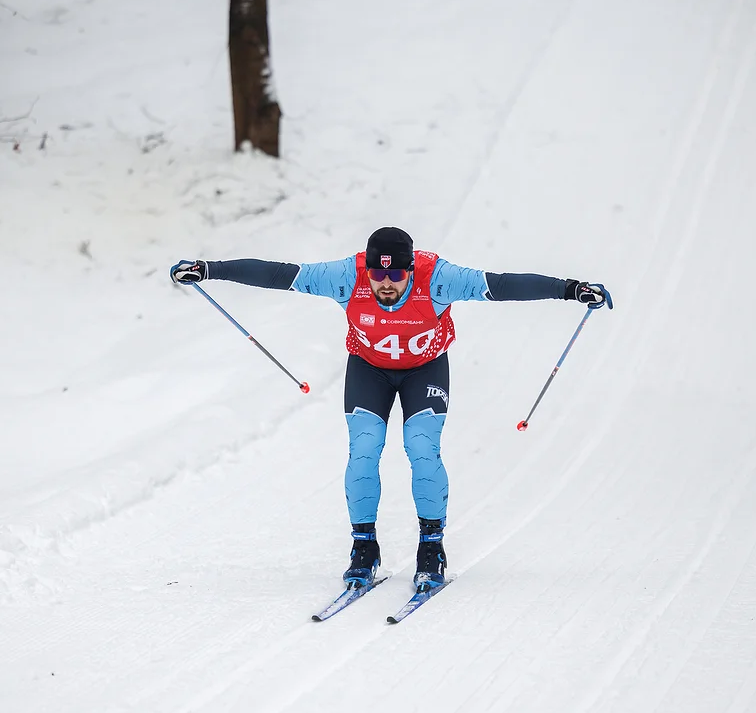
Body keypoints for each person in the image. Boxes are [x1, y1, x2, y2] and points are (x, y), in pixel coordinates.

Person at [170, 227, 608, 593]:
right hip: (369, 369)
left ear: (410, 269)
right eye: (378, 273)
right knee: (364, 450)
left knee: (421, 447)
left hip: (425, 368)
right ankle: (364, 548)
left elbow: (503, 284)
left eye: (396, 274)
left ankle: (431, 547)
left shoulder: (439, 278)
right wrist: (210, 269)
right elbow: (280, 274)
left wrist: (570, 290)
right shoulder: (346, 276)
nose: (386, 283)